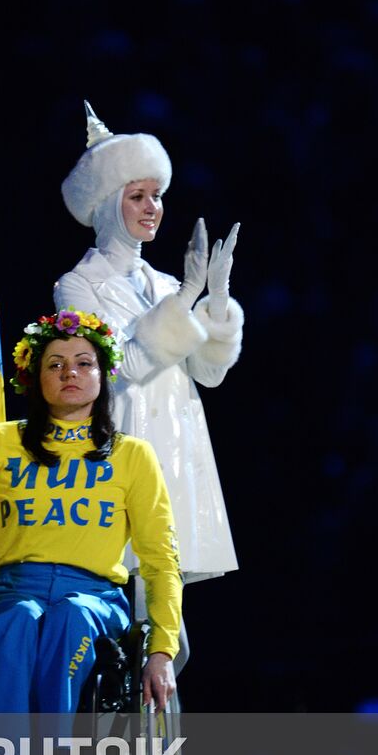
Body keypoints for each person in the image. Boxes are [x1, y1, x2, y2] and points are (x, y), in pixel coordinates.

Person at [0, 310, 183, 723]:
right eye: (56, 364)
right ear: (35, 376)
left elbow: (161, 559)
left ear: (103, 377)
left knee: (71, 616)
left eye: (84, 363)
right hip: (11, 591)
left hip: (94, 598)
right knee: (19, 619)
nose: (70, 373)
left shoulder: (132, 455)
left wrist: (161, 651)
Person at [55, 103, 244, 586]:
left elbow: (208, 373)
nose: (151, 207)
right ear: (105, 204)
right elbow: (119, 370)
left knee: (166, 617)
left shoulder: (162, 284)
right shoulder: (77, 286)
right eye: (137, 195)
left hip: (180, 450)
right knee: (125, 604)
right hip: (127, 443)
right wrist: (185, 298)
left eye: (156, 195)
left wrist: (217, 304)